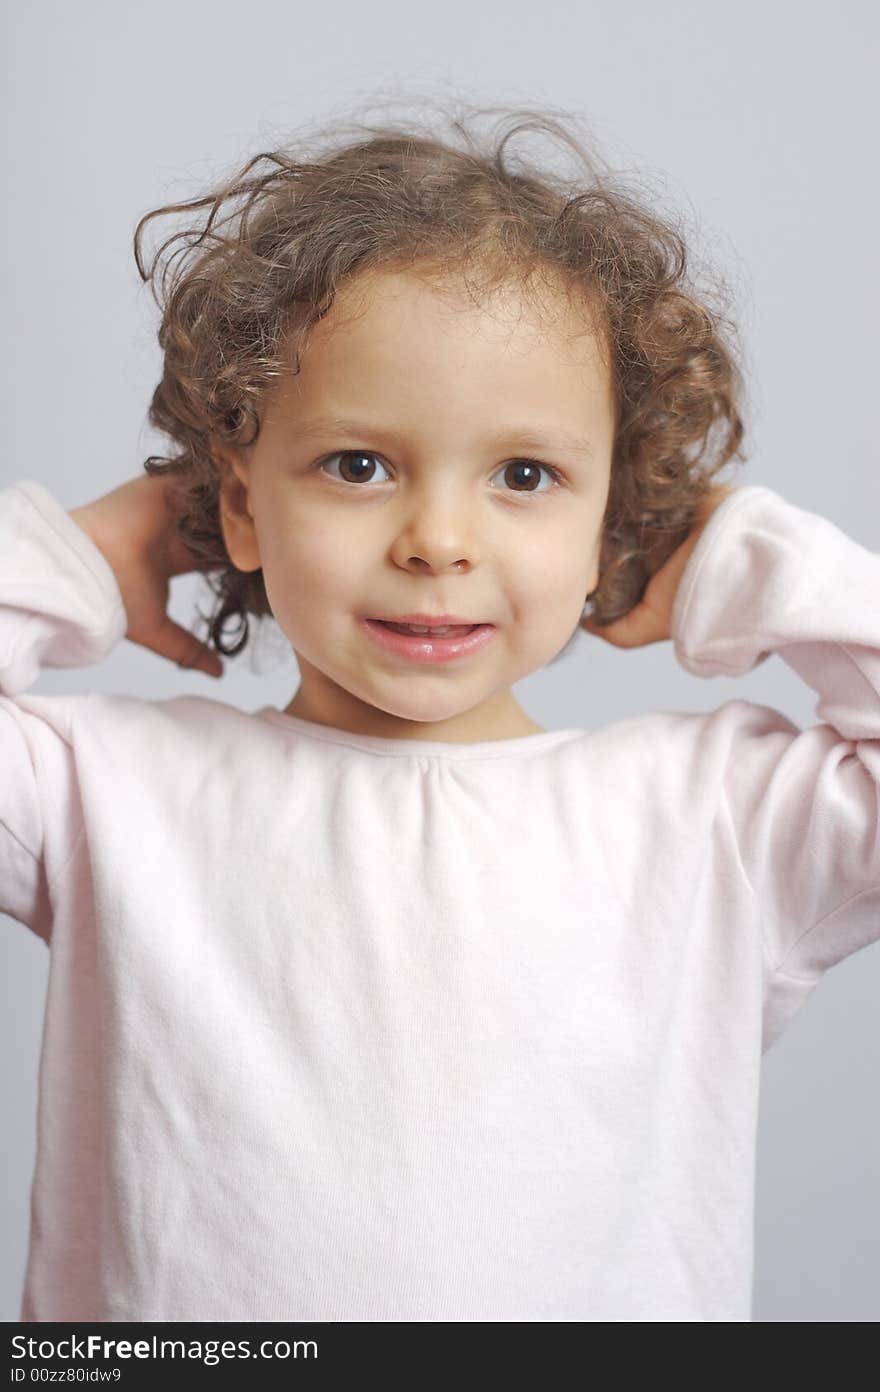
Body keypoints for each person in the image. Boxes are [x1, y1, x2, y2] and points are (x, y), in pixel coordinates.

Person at [2, 102, 877, 1323]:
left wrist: (744, 558)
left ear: (610, 524)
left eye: (526, 476)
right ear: (242, 505)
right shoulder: (105, 789)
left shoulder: (716, 819)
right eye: (358, 465)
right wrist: (83, 552)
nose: (438, 543)